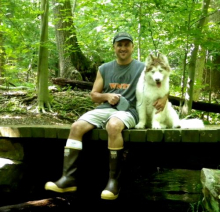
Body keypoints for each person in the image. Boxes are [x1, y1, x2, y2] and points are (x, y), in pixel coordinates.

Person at [44, 32, 168, 200]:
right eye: (119, 45)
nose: (123, 48)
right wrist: (107, 96)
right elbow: (94, 95)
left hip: (129, 110)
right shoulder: (104, 68)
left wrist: (165, 98)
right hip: (105, 108)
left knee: (113, 126)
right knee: (76, 127)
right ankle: (68, 179)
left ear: (132, 47)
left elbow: (162, 82)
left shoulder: (141, 68)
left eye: (126, 44)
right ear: (114, 47)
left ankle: (113, 183)